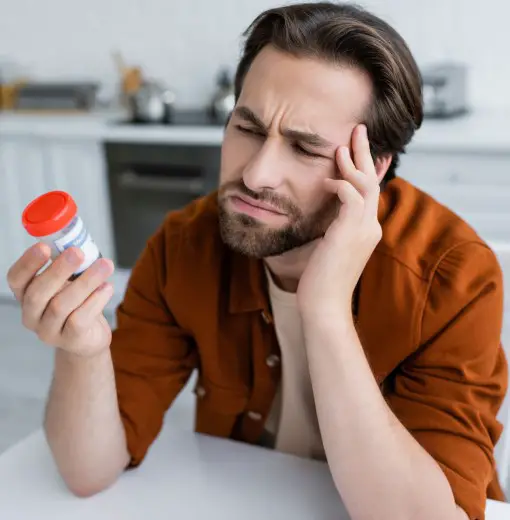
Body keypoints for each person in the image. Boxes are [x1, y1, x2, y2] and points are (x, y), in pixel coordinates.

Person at [6, 2, 507, 519]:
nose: (257, 174)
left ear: (373, 168)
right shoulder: (185, 246)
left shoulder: (454, 277)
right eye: (247, 128)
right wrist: (83, 351)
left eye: (306, 149)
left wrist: (326, 308)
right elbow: (87, 472)